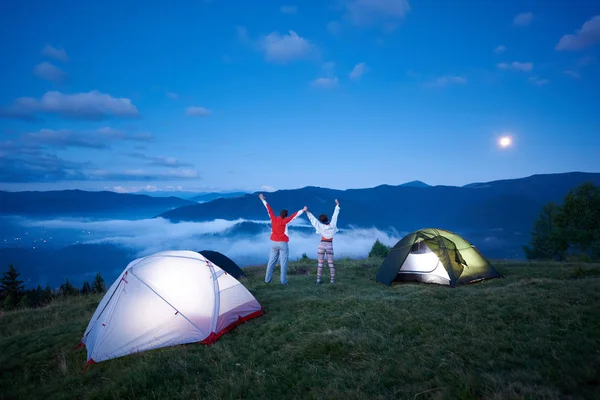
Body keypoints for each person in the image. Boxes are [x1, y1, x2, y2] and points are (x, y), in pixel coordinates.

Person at [259, 193, 304, 285]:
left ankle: (267, 280)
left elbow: (269, 209)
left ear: (279, 214)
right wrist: (303, 210)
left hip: (274, 243)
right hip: (283, 243)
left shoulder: (273, 219)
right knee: (283, 264)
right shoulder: (285, 221)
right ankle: (283, 282)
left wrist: (263, 199)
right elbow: (294, 216)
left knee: (271, 262)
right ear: (285, 216)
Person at [304, 199, 340, 284]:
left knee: (320, 263)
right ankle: (332, 281)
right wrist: (337, 205)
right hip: (329, 245)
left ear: (321, 220)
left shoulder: (320, 226)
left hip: (321, 245)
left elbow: (313, 220)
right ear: (327, 218)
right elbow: (335, 215)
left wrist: (307, 211)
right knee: (331, 264)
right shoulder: (333, 225)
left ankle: (318, 280)